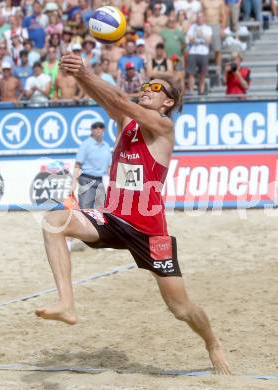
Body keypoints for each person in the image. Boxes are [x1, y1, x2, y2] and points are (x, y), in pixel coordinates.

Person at [35, 50, 231, 376]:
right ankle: (67, 304)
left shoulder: (163, 127)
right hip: (113, 217)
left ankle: (212, 342)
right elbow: (112, 102)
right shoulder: (127, 121)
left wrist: (85, 71)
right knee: (54, 220)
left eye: (156, 89)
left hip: (149, 230)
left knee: (181, 309)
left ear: (168, 103)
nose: (147, 89)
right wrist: (81, 76)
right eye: (146, 85)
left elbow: (121, 102)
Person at [70, 121, 112, 209]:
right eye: (95, 127)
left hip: (100, 180)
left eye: (101, 127)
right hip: (86, 179)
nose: (98, 129)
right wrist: (74, 183)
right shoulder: (86, 144)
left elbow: (109, 167)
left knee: (102, 210)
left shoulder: (106, 146)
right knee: (86, 209)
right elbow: (77, 164)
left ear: (103, 129)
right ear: (91, 130)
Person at [186, 12, 212, 95]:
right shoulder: (192, 27)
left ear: (204, 18)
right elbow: (190, 39)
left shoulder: (208, 28)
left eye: (201, 17)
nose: (199, 18)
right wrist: (196, 36)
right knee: (191, 73)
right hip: (193, 52)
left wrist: (201, 35)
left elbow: (209, 41)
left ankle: (201, 91)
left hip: (203, 53)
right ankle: (191, 92)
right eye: (198, 17)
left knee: (202, 74)